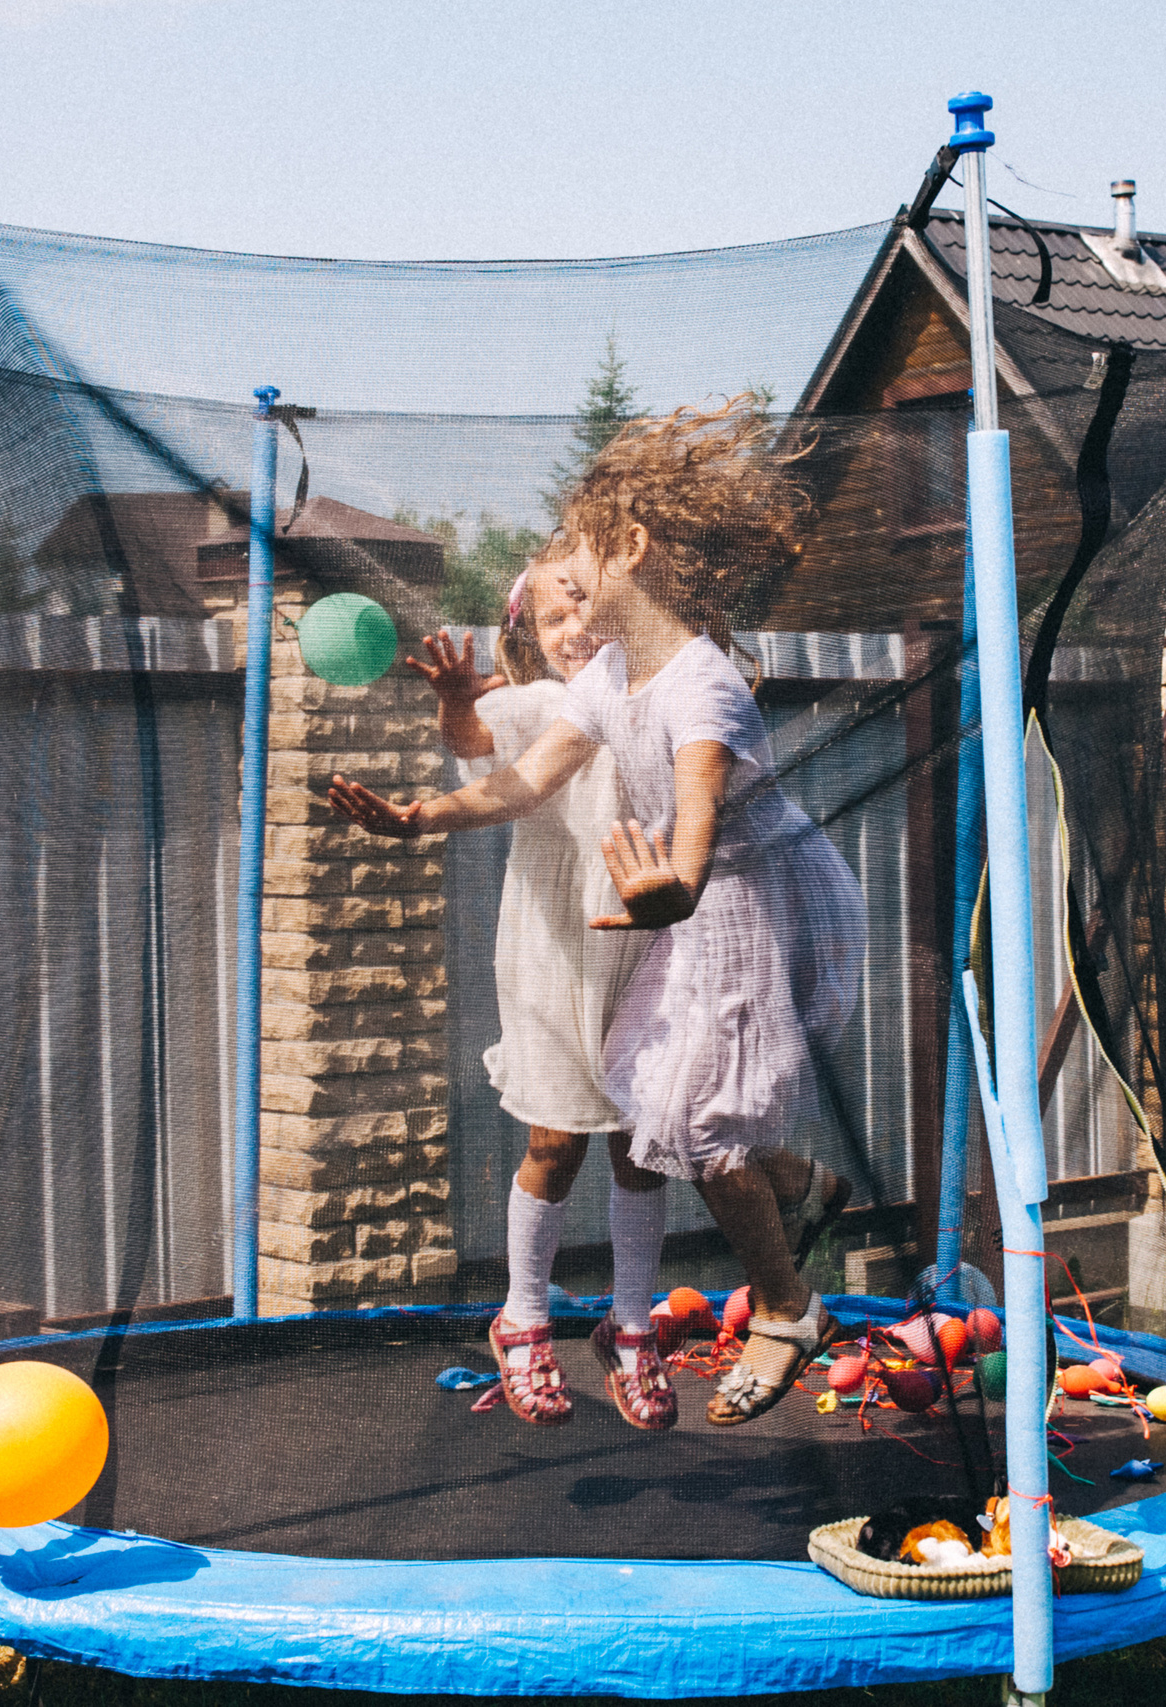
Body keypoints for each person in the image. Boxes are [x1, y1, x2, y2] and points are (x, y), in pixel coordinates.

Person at [332, 399, 865, 1425]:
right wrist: (419, 819)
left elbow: (699, 840)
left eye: (576, 562)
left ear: (629, 549)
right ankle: (792, 1199)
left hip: (742, 907)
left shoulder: (702, 689)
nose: (563, 588)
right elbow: (521, 783)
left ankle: (786, 1311)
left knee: (696, 1125)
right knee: (650, 1101)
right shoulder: (614, 675)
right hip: (673, 912)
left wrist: (669, 890)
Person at [412, 568, 669, 1429]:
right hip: (553, 943)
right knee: (556, 1139)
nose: (574, 630)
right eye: (554, 617)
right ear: (531, 635)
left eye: (586, 610)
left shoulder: (658, 697)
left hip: (640, 932)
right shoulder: (539, 705)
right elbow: (477, 746)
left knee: (643, 1142)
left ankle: (631, 1323)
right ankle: (523, 1314)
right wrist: (455, 699)